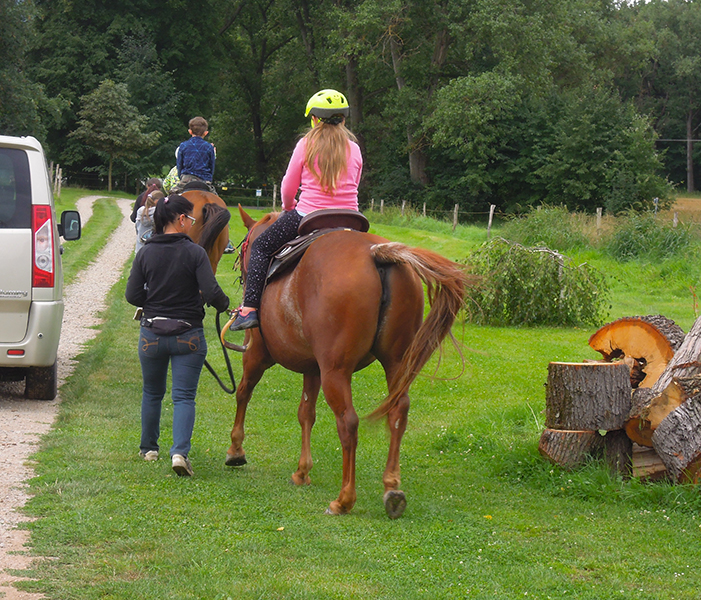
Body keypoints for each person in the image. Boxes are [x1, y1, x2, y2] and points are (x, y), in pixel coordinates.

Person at [229, 89, 363, 331]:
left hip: (310, 216)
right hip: (351, 220)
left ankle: (249, 309)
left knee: (260, 246)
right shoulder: (354, 148)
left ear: (314, 119)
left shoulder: (306, 144)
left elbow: (288, 186)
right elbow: (355, 182)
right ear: (343, 119)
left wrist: (289, 207)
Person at [125, 193, 229, 477]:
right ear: (181, 219)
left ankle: (148, 448)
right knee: (183, 397)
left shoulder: (146, 251)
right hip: (188, 335)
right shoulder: (195, 253)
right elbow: (211, 292)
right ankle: (179, 452)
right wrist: (225, 305)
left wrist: (153, 299)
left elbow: (132, 294)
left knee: (152, 392)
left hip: (151, 335)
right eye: (191, 219)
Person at [170, 116, 216, 194]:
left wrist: (181, 177)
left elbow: (179, 166)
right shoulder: (209, 147)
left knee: (170, 199)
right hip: (204, 181)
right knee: (218, 204)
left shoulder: (183, 146)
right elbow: (212, 167)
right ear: (206, 133)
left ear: (190, 131)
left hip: (186, 179)